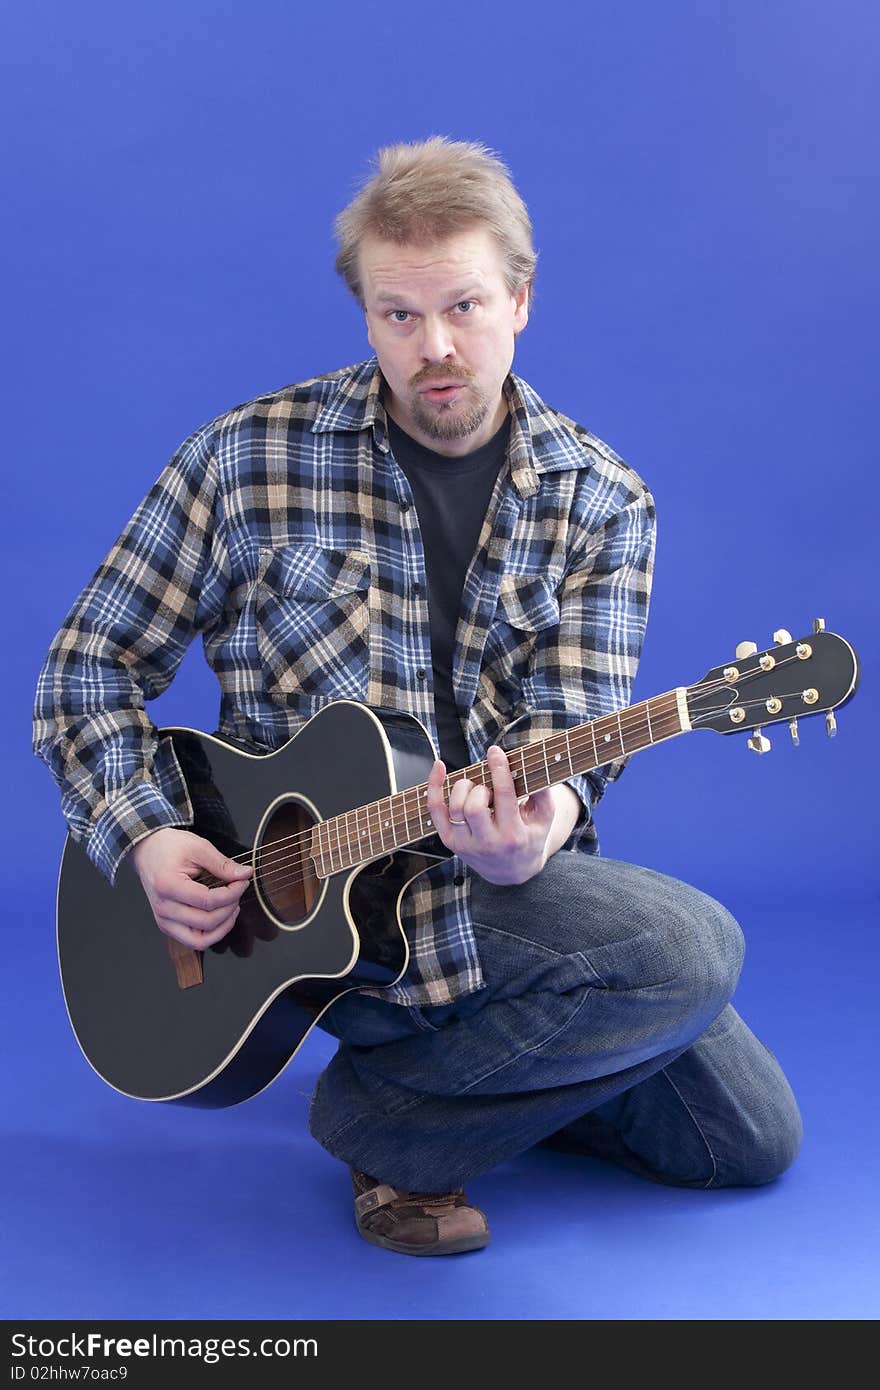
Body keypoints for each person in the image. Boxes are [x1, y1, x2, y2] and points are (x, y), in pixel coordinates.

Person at [34, 136, 802, 1257]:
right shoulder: (245, 459)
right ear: (365, 316)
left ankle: (420, 1091)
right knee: (689, 951)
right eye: (398, 315)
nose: (435, 346)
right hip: (304, 926)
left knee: (748, 1142)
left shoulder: (602, 500)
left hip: (501, 901)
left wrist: (533, 832)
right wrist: (144, 837)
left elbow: (570, 736)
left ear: (521, 300)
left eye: (464, 305)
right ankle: (403, 1126)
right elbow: (84, 671)